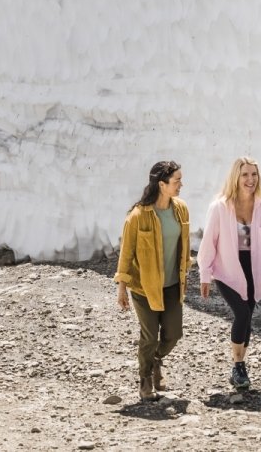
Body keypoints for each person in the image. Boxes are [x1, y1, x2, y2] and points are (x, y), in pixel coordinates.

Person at [197, 156, 261, 390]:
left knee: (248, 316)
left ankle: (240, 364)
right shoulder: (220, 207)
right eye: (245, 174)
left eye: (254, 174)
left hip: (254, 267)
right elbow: (209, 242)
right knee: (242, 314)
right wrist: (205, 274)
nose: (250, 180)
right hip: (226, 267)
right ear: (235, 177)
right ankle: (238, 366)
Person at [115, 160, 189, 400]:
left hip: (171, 285)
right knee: (149, 335)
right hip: (144, 287)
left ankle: (156, 360)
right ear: (161, 184)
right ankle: (145, 379)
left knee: (174, 334)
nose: (180, 184)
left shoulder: (181, 209)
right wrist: (122, 289)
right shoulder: (137, 216)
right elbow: (126, 254)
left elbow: (183, 245)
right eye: (176, 180)